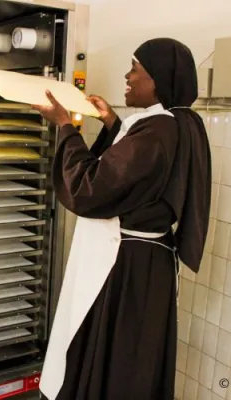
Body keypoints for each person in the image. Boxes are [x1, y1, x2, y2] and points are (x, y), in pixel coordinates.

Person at [32, 38, 211, 399]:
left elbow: (91, 189)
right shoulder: (170, 123)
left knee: (115, 357)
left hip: (127, 267)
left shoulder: (158, 131)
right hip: (146, 262)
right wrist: (112, 122)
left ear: (157, 79)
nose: (127, 76)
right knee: (129, 358)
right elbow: (137, 177)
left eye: (135, 68)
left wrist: (65, 127)